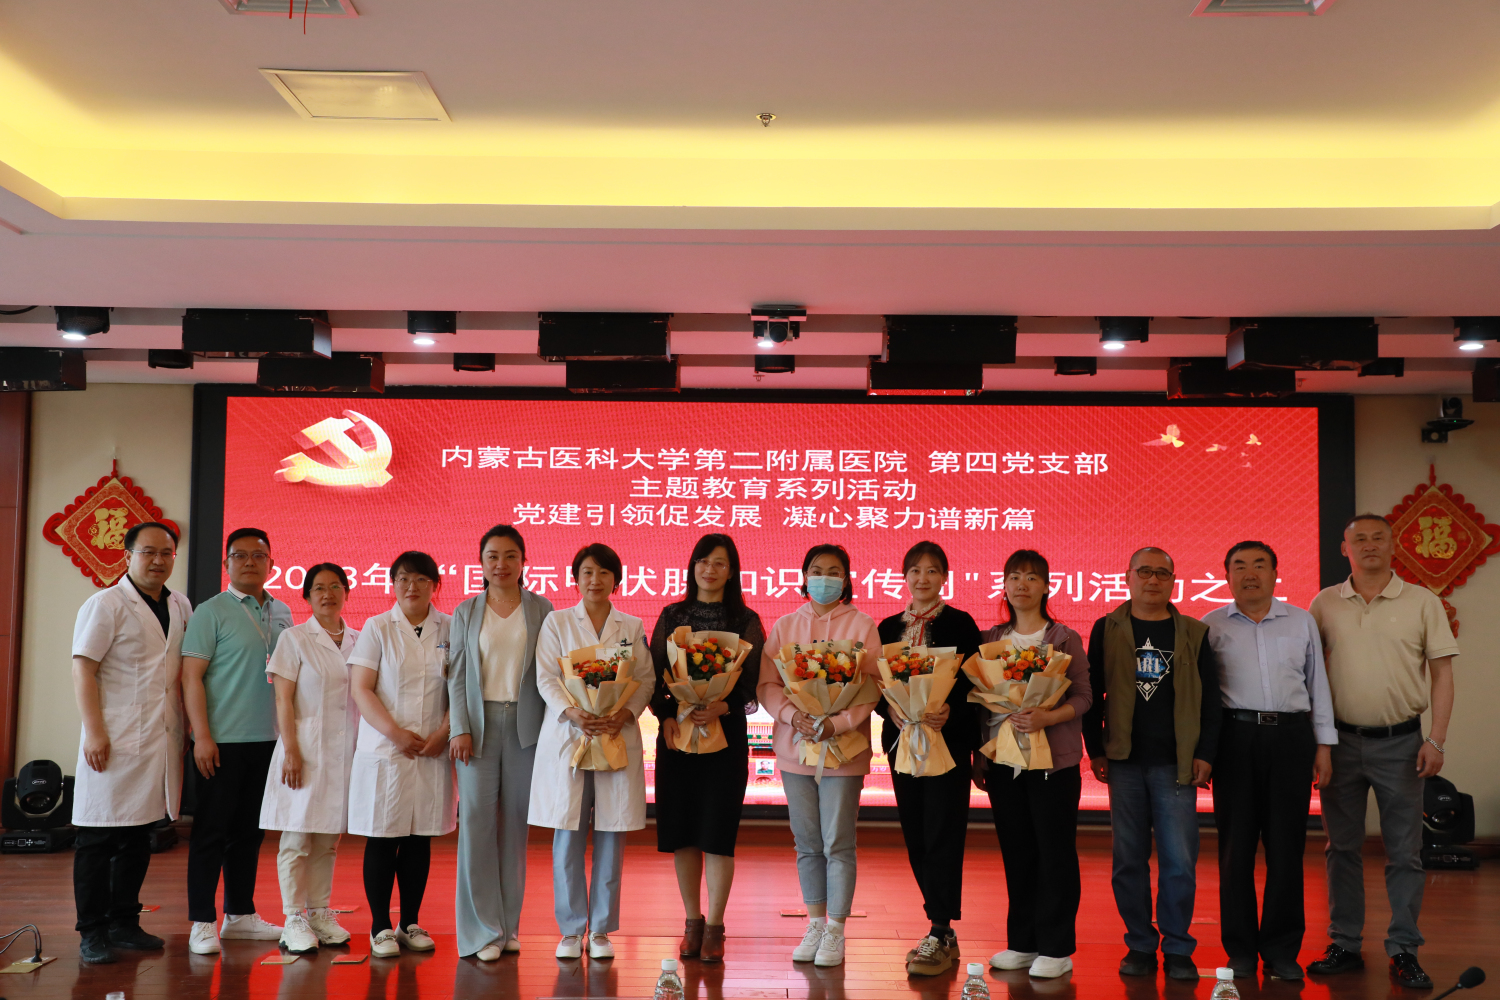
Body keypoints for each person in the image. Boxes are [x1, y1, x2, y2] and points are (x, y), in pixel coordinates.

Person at [1307, 514, 1458, 989]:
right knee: (1341, 848)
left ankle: (1404, 949)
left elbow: (1442, 674)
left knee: (1405, 853)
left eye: (1378, 538)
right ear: (1344, 548)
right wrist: (1318, 742)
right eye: (1360, 539)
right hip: (1340, 743)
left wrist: (1436, 739)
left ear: (1394, 546)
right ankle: (1345, 943)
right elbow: (1310, 674)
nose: (1369, 545)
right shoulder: (1324, 603)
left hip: (1402, 744)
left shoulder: (1422, 601)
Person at [1081, 546, 1221, 982]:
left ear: (1173, 582)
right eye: (1145, 571)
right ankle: (1140, 943)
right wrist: (1095, 749)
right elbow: (1092, 692)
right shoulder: (1107, 627)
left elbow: (1211, 701)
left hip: (1176, 764)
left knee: (1179, 860)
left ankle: (1178, 947)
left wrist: (1206, 753)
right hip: (1123, 762)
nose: (1153, 580)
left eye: (1163, 573)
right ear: (1128, 577)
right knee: (1129, 859)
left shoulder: (1194, 632)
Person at [1203, 541, 1336, 981]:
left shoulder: (1300, 621)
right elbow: (1202, 698)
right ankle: (1240, 951)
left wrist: (1324, 745)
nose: (1250, 573)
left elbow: (1318, 684)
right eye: (1239, 566)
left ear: (1276, 573)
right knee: (1235, 850)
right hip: (1234, 739)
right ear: (1226, 576)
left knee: (1286, 848)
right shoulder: (1210, 625)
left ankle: (1281, 951)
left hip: (1291, 739)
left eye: (1259, 565)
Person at [69, 522, 194, 964]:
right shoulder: (105, 604)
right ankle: (92, 930)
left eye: (166, 553)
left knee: (140, 834)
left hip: (159, 735)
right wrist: (95, 731)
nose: (158, 560)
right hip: (114, 735)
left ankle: (124, 922)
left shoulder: (180, 604)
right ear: (127, 556)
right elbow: (83, 668)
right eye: (148, 552)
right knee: (98, 837)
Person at [757, 543, 882, 969]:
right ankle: (814, 923)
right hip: (796, 748)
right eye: (816, 569)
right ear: (804, 576)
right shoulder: (786, 625)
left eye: (833, 571)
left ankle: (836, 930)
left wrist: (838, 722)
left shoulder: (862, 625)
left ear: (846, 580)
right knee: (807, 842)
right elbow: (768, 684)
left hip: (843, 751)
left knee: (838, 841)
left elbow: (873, 686)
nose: (824, 578)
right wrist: (793, 716)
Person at [529, 543, 653, 961]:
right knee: (568, 834)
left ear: (616, 579)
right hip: (572, 735)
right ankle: (570, 929)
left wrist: (625, 714)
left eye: (603, 573)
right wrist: (573, 712)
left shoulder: (631, 625)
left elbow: (646, 680)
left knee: (611, 835)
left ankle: (600, 929)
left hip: (615, 735)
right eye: (587, 572)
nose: (595, 580)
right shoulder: (557, 621)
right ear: (576, 579)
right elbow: (546, 677)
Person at [649, 533, 766, 963]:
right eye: (703, 561)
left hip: (725, 736)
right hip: (678, 735)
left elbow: (752, 684)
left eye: (719, 563)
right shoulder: (672, 615)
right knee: (682, 833)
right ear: (692, 567)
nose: (710, 569)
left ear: (731, 571)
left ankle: (715, 926)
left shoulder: (746, 620)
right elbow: (653, 676)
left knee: (718, 833)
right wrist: (666, 714)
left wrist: (723, 705)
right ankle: (692, 921)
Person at [975, 549, 1091, 980]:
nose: (1021, 584)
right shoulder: (990, 639)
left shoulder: (1063, 638)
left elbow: (1084, 696)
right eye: (1014, 577)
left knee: (1054, 852)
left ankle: (1057, 948)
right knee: (1017, 851)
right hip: (1004, 761)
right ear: (1004, 585)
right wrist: (980, 756)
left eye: (1031, 577)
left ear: (1046, 586)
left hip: (1053, 763)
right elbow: (980, 705)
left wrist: (1048, 716)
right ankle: (1022, 942)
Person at [181, 527, 294, 955]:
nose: (250, 562)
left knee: (249, 832)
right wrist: (202, 736)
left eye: (258, 555)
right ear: (226, 563)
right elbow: (191, 678)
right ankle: (202, 921)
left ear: (271, 563)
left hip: (268, 741)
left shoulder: (282, 611)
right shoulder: (210, 612)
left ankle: (240, 915)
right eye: (240, 555)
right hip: (221, 741)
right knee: (211, 832)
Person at [873, 541, 981, 977]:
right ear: (904, 577)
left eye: (932, 570)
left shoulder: (961, 623)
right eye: (915, 570)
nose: (923, 578)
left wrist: (951, 709)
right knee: (916, 833)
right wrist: (890, 710)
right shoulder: (886, 627)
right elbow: (876, 687)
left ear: (944, 578)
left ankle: (940, 927)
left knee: (943, 832)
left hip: (947, 744)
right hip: (902, 744)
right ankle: (940, 927)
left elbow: (976, 683)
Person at [449, 525, 555, 960]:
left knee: (515, 827)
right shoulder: (466, 611)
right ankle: (481, 932)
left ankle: (509, 928)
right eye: (492, 556)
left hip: (526, 729)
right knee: (476, 825)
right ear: (481, 562)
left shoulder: (542, 609)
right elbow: (456, 675)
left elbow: (551, 672)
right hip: (478, 727)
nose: (501, 564)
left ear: (524, 561)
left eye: (511, 555)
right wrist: (459, 727)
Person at [348, 551, 456, 958]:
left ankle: (409, 922)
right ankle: (380, 926)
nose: (412, 587)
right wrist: (395, 733)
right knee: (382, 837)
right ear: (392, 584)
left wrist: (443, 733)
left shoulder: (451, 627)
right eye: (403, 579)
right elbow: (362, 688)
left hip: (431, 748)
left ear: (435, 585)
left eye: (421, 579)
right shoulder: (377, 627)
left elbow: (460, 688)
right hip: (386, 749)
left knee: (418, 838)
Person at [258, 564, 361, 955]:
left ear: (346, 592)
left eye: (335, 586)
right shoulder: (295, 638)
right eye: (319, 588)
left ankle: (319, 912)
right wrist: (291, 751)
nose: (327, 594)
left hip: (344, 752)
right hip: (303, 748)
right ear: (307, 596)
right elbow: (283, 699)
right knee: (297, 836)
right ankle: (293, 918)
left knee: (328, 839)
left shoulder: (360, 639)